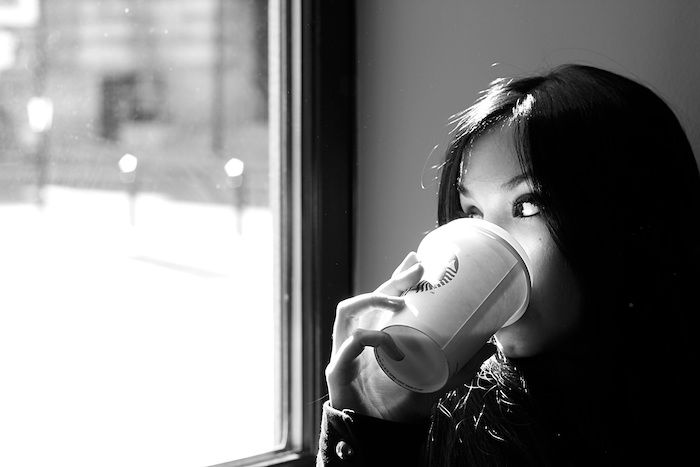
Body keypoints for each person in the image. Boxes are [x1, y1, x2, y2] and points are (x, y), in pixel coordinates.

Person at [316, 64, 700, 466]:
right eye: (473, 214)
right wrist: (370, 427)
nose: (488, 241)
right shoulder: (465, 423)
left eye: (527, 205)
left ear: (626, 218)